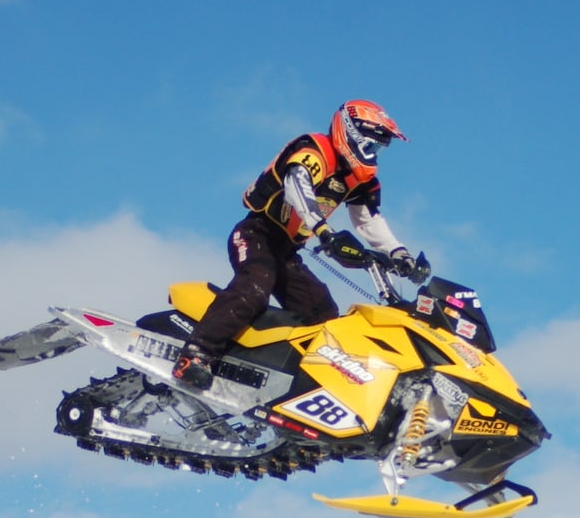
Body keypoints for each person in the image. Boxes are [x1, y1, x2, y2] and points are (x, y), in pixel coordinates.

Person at [172, 99, 423, 390]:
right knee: (254, 287)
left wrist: (399, 253)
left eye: (377, 149)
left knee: (323, 315)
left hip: (287, 253)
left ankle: (298, 388)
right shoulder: (316, 150)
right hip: (257, 234)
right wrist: (324, 231)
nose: (373, 154)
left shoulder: (359, 180)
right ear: (352, 134)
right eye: (371, 145)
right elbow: (296, 186)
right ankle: (196, 354)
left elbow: (368, 220)